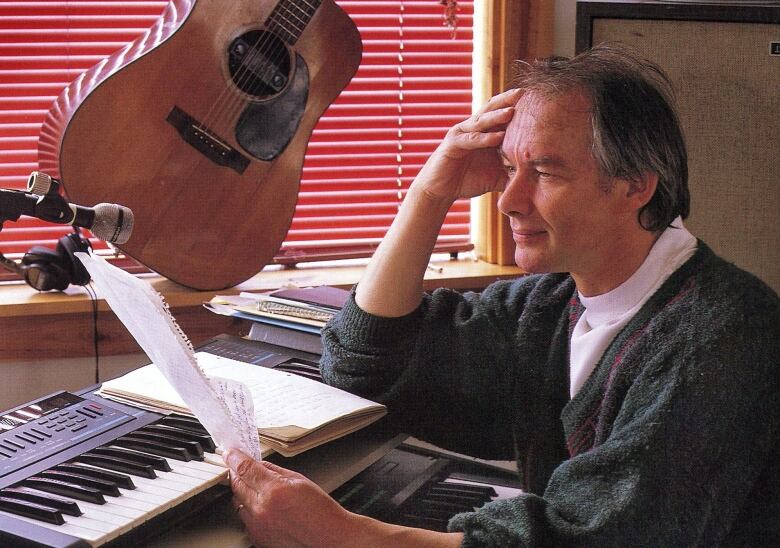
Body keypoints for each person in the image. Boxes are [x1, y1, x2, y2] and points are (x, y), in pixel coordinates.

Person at [225, 44, 779, 546]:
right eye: (509, 168)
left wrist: (346, 537)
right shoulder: (549, 304)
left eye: (544, 172)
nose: (508, 200)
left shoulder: (723, 340)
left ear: (636, 184)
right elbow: (362, 366)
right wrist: (429, 192)